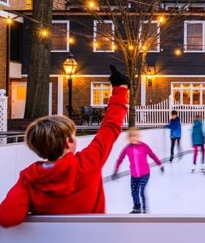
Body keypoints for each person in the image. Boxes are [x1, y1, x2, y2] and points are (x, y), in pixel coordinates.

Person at [0, 65, 129, 228]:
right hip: (93, 242)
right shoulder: (88, 162)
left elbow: (7, 216)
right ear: (68, 142)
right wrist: (121, 89)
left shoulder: (30, 178)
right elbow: (110, 128)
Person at [112, 128, 164, 214]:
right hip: (134, 175)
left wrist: (160, 164)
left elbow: (152, 155)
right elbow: (120, 159)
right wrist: (116, 170)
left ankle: (145, 210)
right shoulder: (127, 148)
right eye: (131, 136)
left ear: (139, 136)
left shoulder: (144, 146)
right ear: (128, 138)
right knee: (134, 192)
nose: (134, 138)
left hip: (145, 174)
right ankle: (137, 208)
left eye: (135, 136)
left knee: (142, 191)